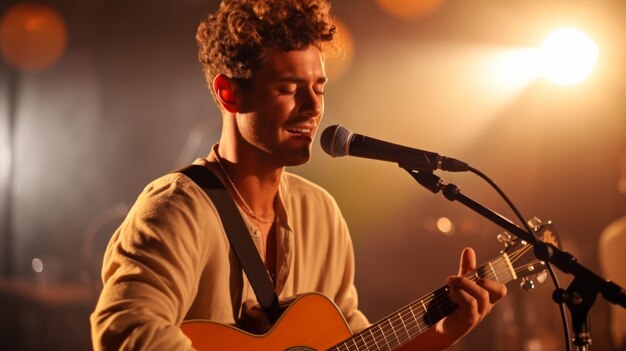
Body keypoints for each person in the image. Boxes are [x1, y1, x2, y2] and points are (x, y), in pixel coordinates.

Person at [89, 0, 507, 350]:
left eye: (319, 88)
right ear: (228, 93)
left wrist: (443, 332)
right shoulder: (174, 210)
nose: (313, 108)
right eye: (289, 88)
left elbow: (351, 339)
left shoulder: (321, 213)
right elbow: (125, 329)